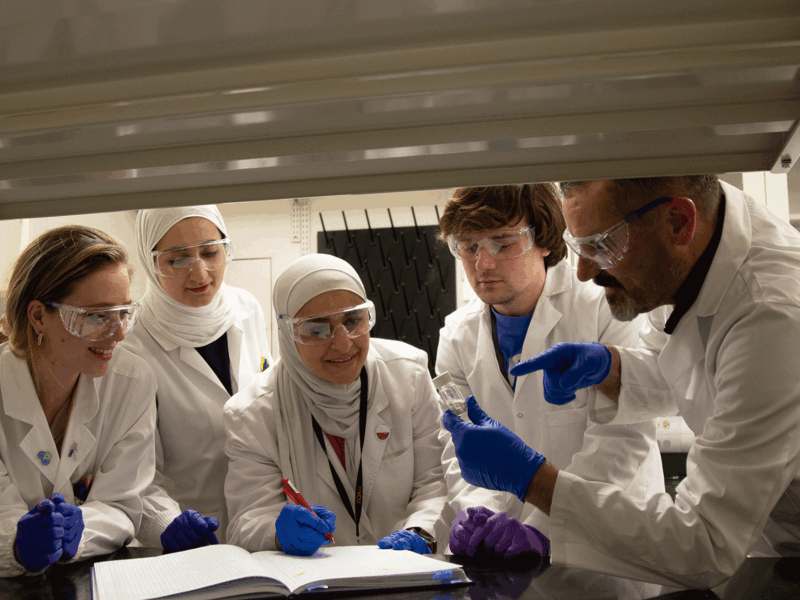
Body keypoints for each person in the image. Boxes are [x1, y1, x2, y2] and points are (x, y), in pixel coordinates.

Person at [443, 175, 800, 588]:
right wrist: (611, 368)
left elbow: (704, 545)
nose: (582, 272)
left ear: (679, 222)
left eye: (603, 245)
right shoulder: (697, 246)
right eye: (580, 246)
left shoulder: (771, 314)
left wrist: (531, 479)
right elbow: (683, 371)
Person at [436, 184, 664, 562]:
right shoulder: (455, 337)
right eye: (469, 246)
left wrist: (543, 529)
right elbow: (459, 445)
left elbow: (622, 440)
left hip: (607, 544)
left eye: (503, 243)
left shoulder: (605, 306)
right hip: (505, 553)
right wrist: (479, 514)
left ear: (544, 239)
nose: (483, 264)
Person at [224, 254, 447, 556]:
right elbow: (246, 522)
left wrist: (421, 530)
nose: (343, 344)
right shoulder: (252, 414)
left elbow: (435, 481)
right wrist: (276, 532)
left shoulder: (410, 375)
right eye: (317, 330)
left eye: (353, 320)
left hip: (407, 572)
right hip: (313, 579)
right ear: (288, 335)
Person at [0, 226, 157, 577]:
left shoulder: (131, 381)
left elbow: (122, 503)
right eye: (97, 316)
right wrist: (15, 544)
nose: (117, 333)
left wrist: (80, 531)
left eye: (122, 313)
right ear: (38, 316)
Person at [123, 206, 273, 550]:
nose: (200, 273)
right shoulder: (133, 346)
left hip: (259, 523)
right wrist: (167, 523)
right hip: (184, 539)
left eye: (210, 252)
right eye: (177, 259)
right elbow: (133, 473)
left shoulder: (247, 309)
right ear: (150, 261)